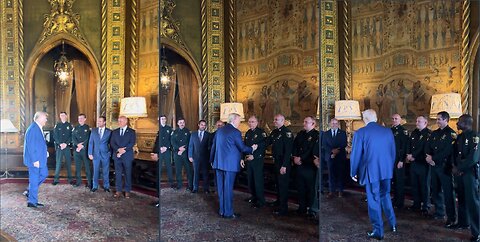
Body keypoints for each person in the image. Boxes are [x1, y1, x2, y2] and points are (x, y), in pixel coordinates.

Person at [350, 109, 396, 240]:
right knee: (385, 195)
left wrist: (353, 172)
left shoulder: (361, 132)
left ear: (365, 119)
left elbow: (355, 155)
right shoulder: (388, 131)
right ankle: (393, 224)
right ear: (375, 118)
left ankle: (378, 231)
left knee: (373, 200)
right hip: (386, 170)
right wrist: (389, 168)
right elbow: (392, 152)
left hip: (371, 171)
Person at [210, 113, 256, 219]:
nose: (240, 122)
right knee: (228, 189)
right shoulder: (235, 132)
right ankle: (228, 213)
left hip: (218, 164)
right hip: (229, 165)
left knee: (221, 189)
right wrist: (252, 149)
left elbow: (213, 146)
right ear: (234, 120)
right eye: (239, 120)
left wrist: (212, 160)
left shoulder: (219, 130)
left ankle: (222, 210)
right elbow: (243, 148)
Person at [426, 111, 457, 227]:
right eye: (437, 119)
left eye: (439, 119)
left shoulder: (451, 134)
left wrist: (433, 158)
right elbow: (428, 146)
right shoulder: (434, 133)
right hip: (434, 166)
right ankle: (439, 212)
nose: (437, 121)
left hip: (445, 167)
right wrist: (428, 157)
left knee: (448, 194)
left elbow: (447, 151)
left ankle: (451, 218)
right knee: (436, 191)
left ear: (446, 120)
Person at [452, 114, 479, 242]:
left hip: (470, 174)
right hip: (459, 173)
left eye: (459, 122)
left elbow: (473, 158)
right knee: (461, 199)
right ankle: (463, 222)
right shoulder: (460, 137)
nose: (457, 124)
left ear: (466, 123)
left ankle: (477, 232)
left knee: (473, 202)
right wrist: (455, 167)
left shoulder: (475, 136)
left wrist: (460, 168)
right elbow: (455, 154)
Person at [266, 114, 294, 216]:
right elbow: (267, 142)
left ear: (283, 120)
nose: (274, 121)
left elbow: (288, 151)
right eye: (274, 120)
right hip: (276, 161)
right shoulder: (274, 132)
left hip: (283, 162)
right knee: (277, 184)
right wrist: (255, 146)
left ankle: (283, 209)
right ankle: (278, 202)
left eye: (276, 120)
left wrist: (284, 165)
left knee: (283, 186)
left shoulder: (287, 133)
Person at [292, 116, 319, 215]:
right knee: (300, 188)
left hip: (309, 166)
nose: (304, 124)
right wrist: (295, 156)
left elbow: (311, 149)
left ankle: (311, 210)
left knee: (310, 189)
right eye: (304, 121)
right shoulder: (301, 134)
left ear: (313, 124)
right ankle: (301, 208)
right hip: (299, 165)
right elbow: (294, 146)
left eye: (306, 122)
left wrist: (301, 158)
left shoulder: (317, 135)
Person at [406, 115, 431, 215]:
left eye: (419, 121)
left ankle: (425, 206)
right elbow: (409, 145)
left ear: (425, 123)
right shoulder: (414, 132)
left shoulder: (429, 134)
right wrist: (408, 155)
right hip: (413, 163)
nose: (417, 123)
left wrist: (414, 157)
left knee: (424, 186)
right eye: (416, 121)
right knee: (414, 185)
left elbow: (426, 150)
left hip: (422, 164)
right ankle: (416, 204)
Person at [24, 111, 49, 208]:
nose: (46, 120)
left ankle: (30, 191)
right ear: (39, 118)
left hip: (40, 158)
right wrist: (35, 160)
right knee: (34, 180)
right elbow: (31, 146)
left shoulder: (38, 128)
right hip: (35, 161)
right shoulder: (33, 129)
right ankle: (32, 201)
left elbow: (39, 144)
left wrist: (45, 152)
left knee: (44, 174)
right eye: (45, 118)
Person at [242, 115, 267, 208]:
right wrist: (242, 158)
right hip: (249, 160)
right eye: (249, 121)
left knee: (257, 180)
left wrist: (254, 156)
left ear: (257, 123)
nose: (250, 123)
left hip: (257, 161)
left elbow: (263, 147)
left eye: (252, 122)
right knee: (250, 180)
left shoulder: (261, 133)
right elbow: (244, 146)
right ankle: (254, 197)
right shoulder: (248, 133)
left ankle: (261, 200)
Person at [110, 116, 136, 198]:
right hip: (117, 155)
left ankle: (127, 191)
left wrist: (123, 150)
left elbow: (132, 143)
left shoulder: (132, 132)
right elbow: (112, 143)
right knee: (118, 173)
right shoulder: (114, 132)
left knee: (127, 173)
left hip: (127, 156)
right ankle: (118, 190)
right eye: (118, 121)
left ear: (126, 122)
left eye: (120, 121)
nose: (119, 122)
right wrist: (118, 150)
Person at [322, 118, 347, 198]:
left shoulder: (343, 133)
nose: (334, 125)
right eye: (332, 123)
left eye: (336, 123)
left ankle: (340, 191)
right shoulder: (326, 134)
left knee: (340, 174)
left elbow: (344, 143)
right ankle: (331, 191)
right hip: (329, 156)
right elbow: (324, 145)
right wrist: (332, 151)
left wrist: (336, 151)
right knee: (331, 174)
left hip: (340, 156)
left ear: (338, 124)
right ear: (330, 124)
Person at [151, 115, 175, 193]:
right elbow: (157, 141)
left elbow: (171, 140)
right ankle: (158, 184)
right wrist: (157, 150)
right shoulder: (158, 129)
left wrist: (167, 147)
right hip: (159, 151)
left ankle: (171, 182)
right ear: (159, 120)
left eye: (164, 119)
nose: (163, 120)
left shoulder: (169, 129)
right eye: (162, 119)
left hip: (167, 151)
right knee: (159, 167)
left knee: (169, 167)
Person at [88, 116, 112, 192]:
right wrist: (90, 153)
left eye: (100, 121)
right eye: (98, 121)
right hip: (95, 154)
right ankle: (95, 186)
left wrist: (110, 153)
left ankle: (106, 186)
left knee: (106, 171)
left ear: (104, 122)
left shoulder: (109, 131)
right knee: (95, 171)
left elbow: (111, 143)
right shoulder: (93, 131)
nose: (98, 122)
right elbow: (91, 143)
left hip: (105, 154)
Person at [390, 114, 409, 209]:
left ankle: (399, 202)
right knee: (393, 181)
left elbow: (404, 147)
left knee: (399, 182)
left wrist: (401, 160)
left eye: (396, 119)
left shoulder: (403, 131)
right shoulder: (390, 130)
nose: (394, 120)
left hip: (399, 160)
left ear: (400, 120)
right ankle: (394, 199)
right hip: (390, 160)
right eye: (393, 119)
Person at [188, 120, 211, 193]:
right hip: (195, 157)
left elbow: (209, 147)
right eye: (202, 125)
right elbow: (191, 146)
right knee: (196, 173)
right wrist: (190, 156)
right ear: (198, 125)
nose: (203, 126)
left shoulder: (208, 135)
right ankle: (195, 188)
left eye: (204, 125)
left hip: (205, 158)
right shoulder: (193, 134)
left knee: (205, 173)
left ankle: (206, 189)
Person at [52, 111, 73, 185]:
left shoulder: (69, 125)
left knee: (68, 163)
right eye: (61, 116)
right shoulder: (57, 125)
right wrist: (60, 144)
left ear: (66, 116)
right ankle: (56, 179)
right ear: (60, 117)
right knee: (58, 163)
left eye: (63, 115)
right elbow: (55, 136)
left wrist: (66, 143)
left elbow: (71, 136)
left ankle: (70, 179)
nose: (62, 117)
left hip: (67, 147)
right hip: (59, 147)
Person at [171, 118, 191, 191]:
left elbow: (189, 142)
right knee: (178, 170)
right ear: (178, 123)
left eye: (183, 122)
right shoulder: (174, 132)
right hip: (177, 154)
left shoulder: (188, 131)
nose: (182, 124)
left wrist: (183, 149)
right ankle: (179, 185)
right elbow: (172, 142)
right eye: (180, 122)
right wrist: (179, 148)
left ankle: (190, 185)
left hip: (185, 154)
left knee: (188, 170)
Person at [72, 114, 91, 188]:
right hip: (77, 150)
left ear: (85, 119)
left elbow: (89, 138)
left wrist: (82, 145)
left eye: (82, 118)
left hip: (85, 150)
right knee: (78, 167)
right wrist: (77, 145)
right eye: (79, 118)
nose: (80, 120)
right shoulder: (75, 128)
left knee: (87, 168)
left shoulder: (88, 128)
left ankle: (89, 182)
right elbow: (73, 138)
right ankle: (78, 181)